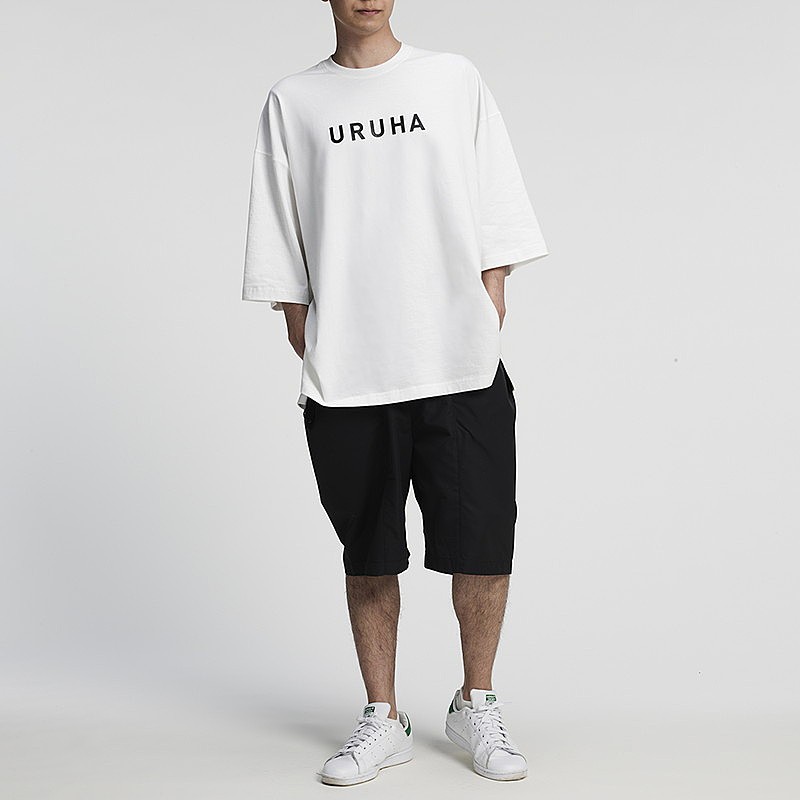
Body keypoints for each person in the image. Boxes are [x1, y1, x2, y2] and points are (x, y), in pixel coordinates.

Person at [241, 0, 549, 787]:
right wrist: (306, 328)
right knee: (369, 554)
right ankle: (384, 717)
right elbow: (279, 229)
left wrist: (488, 298)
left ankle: (476, 702)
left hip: (459, 363)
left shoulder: (452, 79)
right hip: (350, 373)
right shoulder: (294, 101)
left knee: (483, 547)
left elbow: (498, 200)